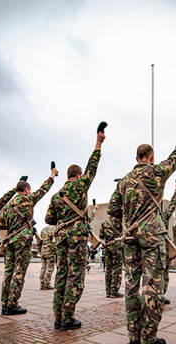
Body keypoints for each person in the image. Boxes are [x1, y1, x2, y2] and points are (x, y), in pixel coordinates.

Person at [108, 119, 176, 344]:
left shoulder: (124, 182)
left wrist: (128, 217)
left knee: (131, 285)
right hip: (152, 237)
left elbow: (113, 209)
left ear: (136, 158)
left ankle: (133, 338)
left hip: (130, 238)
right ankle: (148, 338)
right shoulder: (157, 172)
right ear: (151, 157)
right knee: (152, 286)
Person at [45, 123, 105, 331]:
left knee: (61, 274)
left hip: (60, 238)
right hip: (76, 238)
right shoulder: (80, 186)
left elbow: (48, 219)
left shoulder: (56, 196)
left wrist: (63, 219)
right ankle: (67, 317)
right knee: (75, 276)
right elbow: (92, 166)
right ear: (78, 176)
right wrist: (98, 143)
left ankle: (58, 317)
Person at [0, 171, 56, 315]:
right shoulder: (28, 199)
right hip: (22, 241)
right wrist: (52, 176)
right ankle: (12, 304)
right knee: (19, 271)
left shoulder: (7, 206)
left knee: (8, 272)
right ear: (26, 190)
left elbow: (2, 225)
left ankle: (4, 304)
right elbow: (43, 189)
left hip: (10, 241)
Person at [99, 215, 123, 298]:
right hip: (117, 247)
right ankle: (114, 291)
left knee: (108, 269)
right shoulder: (120, 222)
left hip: (107, 247)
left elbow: (101, 236)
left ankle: (108, 291)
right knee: (117, 268)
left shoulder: (104, 223)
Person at [38, 225, 57, 290]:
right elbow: (54, 241)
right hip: (50, 251)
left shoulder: (43, 229)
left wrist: (39, 250)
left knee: (43, 267)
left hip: (43, 250)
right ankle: (46, 284)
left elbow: (40, 240)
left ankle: (41, 284)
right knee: (50, 268)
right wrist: (55, 250)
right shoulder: (54, 228)